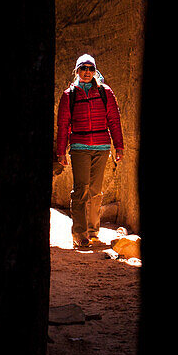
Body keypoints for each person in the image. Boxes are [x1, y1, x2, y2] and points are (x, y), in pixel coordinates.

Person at [55, 53, 124, 249]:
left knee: (95, 191)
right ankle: (80, 234)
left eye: (90, 69)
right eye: (83, 68)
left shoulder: (105, 92)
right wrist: (61, 151)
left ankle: (93, 231)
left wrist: (119, 146)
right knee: (80, 190)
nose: (87, 72)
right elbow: (63, 125)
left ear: (95, 71)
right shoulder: (70, 95)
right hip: (79, 147)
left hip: (102, 146)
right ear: (76, 71)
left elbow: (114, 121)